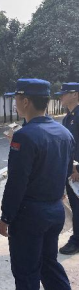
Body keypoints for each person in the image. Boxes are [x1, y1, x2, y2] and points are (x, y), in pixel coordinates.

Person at [0, 79, 76, 290]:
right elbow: (66, 172)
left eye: (16, 98)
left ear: (25, 101)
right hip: (54, 212)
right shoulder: (64, 133)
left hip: (29, 215)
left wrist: (6, 216)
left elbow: (17, 183)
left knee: (26, 273)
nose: (15, 103)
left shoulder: (24, 136)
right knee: (49, 265)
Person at [55, 82, 79, 255]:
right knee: (74, 204)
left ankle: (76, 240)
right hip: (70, 170)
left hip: (76, 171)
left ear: (75, 94)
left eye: (64, 93)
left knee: (77, 207)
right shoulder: (67, 117)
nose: (61, 97)